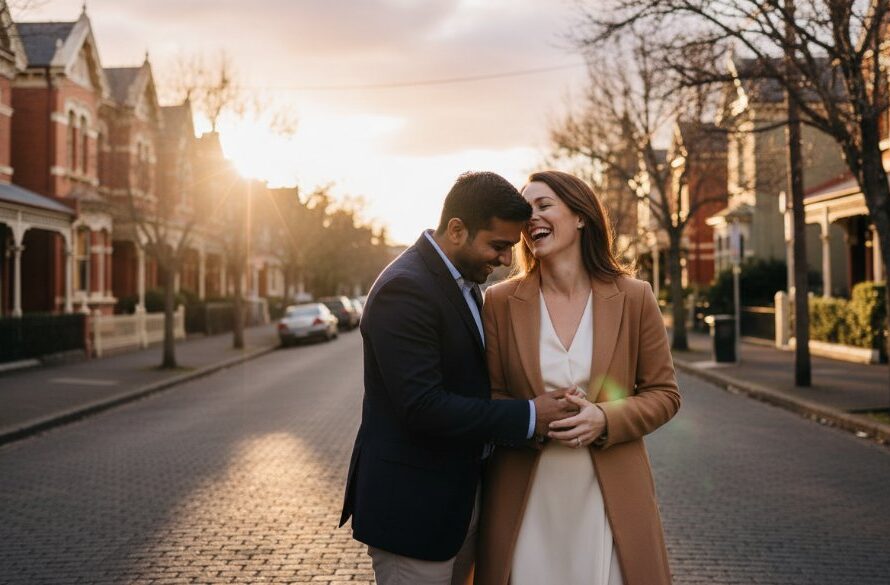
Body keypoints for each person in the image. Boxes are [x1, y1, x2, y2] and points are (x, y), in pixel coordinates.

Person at [339, 171, 578, 585]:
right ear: (456, 230)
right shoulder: (406, 288)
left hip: (459, 505)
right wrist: (529, 415)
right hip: (413, 513)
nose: (506, 259)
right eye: (499, 245)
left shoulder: (464, 284)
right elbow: (422, 407)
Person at [475, 170, 681, 585]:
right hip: (525, 494)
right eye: (525, 210)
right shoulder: (498, 302)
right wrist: (533, 417)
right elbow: (490, 398)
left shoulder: (634, 296)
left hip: (610, 494)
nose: (531, 218)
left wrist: (604, 419)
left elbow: (664, 394)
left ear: (582, 216)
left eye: (544, 205)